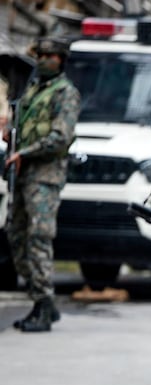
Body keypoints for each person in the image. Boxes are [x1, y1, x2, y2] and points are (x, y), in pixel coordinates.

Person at [3, 37, 79, 332]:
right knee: (16, 236)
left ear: (62, 60)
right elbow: (23, 125)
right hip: (23, 175)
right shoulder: (35, 90)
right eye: (42, 55)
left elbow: (60, 137)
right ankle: (39, 298)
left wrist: (25, 152)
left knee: (38, 237)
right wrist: (13, 139)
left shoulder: (65, 93)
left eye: (52, 56)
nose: (45, 60)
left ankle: (44, 304)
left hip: (44, 176)